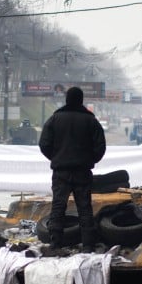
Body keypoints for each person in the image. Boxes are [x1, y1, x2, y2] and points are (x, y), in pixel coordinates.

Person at [38, 86, 106, 251]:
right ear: (81, 100)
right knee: (84, 208)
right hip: (83, 171)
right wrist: (89, 160)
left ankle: (55, 244)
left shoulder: (54, 119)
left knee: (58, 207)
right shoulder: (91, 121)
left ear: (66, 99)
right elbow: (100, 147)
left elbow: (44, 144)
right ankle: (88, 245)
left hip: (61, 172)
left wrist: (56, 158)